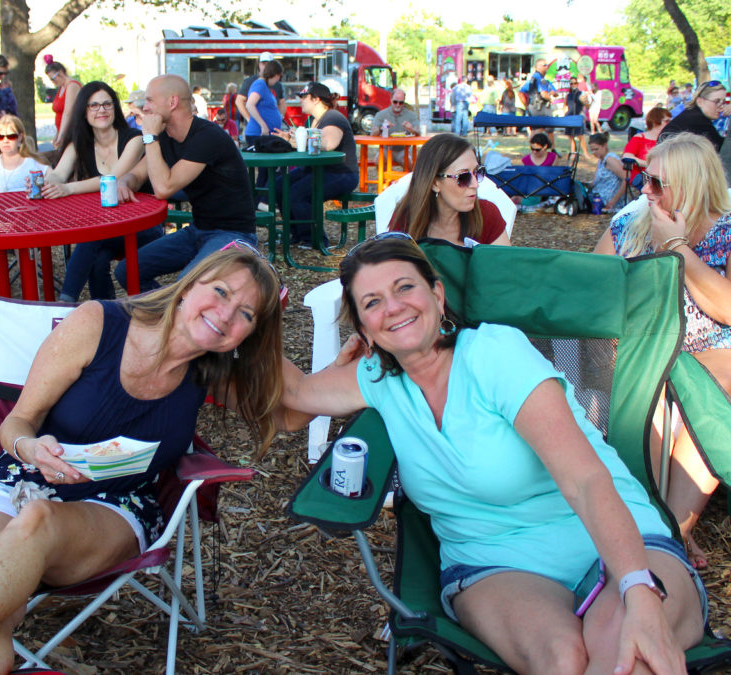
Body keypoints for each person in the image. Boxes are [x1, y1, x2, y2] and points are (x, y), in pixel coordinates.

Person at [0, 246, 296, 675]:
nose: (225, 313)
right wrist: (30, 448)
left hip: (113, 509)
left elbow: (300, 409)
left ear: (247, 335)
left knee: (34, 525)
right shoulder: (97, 323)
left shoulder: (213, 371)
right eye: (219, 291)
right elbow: (18, 422)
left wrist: (363, 366)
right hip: (18, 481)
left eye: (246, 314)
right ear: (189, 284)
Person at [280, 235, 706, 675]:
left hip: (623, 543)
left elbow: (585, 481)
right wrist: (224, 325)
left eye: (405, 287)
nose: (393, 307)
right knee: (563, 661)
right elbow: (287, 398)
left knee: (626, 657)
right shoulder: (375, 379)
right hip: (495, 565)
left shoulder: (495, 354)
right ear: (365, 328)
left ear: (437, 294)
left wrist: (638, 589)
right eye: (372, 302)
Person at [593, 132, 731, 569]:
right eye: (642, 179)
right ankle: (657, 529)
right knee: (654, 391)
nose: (643, 191)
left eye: (656, 183)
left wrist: (676, 247)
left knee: (704, 389)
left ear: (691, 186)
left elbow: (727, 310)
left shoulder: (725, 232)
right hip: (643, 353)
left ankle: (670, 532)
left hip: (712, 356)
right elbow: (592, 293)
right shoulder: (629, 224)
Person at [113, 75, 257, 293]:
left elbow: (163, 189)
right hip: (198, 231)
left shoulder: (207, 136)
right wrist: (125, 181)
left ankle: (171, 313)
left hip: (234, 235)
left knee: (184, 289)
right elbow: (137, 175)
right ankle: (162, 313)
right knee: (126, 271)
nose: (145, 107)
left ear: (172, 102)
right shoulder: (168, 136)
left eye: (150, 100)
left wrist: (150, 137)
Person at [38, 82, 161, 302]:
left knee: (91, 238)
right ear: (84, 112)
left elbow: (111, 178)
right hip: (105, 227)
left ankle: (64, 304)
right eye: (93, 105)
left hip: (141, 225)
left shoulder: (134, 138)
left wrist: (67, 189)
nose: (101, 110)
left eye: (107, 104)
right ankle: (104, 311)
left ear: (115, 108)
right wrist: (43, 184)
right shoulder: (80, 143)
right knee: (97, 255)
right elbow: (59, 173)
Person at [274, 82, 359, 246]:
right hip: (318, 170)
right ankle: (296, 234)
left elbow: (328, 144)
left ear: (316, 100)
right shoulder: (313, 120)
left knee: (297, 194)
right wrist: (290, 139)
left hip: (341, 173)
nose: (301, 101)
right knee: (279, 185)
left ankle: (314, 239)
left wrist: (303, 138)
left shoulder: (333, 117)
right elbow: (306, 145)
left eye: (304, 97)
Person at [388, 133, 510, 246]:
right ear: (435, 183)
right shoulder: (405, 219)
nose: (475, 184)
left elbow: (506, 266)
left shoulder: (487, 215)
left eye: (477, 172)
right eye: (463, 177)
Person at [659, 81, 729, 153]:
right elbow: (724, 150)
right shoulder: (697, 120)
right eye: (717, 101)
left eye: (724, 102)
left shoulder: (691, 114)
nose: (721, 107)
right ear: (699, 101)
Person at [622, 105, 671, 185]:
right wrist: (649, 164)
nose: (670, 123)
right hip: (643, 177)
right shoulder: (639, 138)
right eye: (667, 121)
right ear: (655, 121)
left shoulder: (668, 140)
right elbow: (627, 157)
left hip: (663, 177)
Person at [370, 88, 420, 166]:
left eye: (401, 103)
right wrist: (382, 127)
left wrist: (412, 129)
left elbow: (418, 132)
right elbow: (373, 133)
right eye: (395, 102)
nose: (398, 105)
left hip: (404, 150)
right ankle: (383, 178)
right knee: (379, 160)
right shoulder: (381, 114)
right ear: (391, 99)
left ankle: (407, 178)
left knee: (409, 162)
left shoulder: (411, 115)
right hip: (386, 149)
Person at [236, 52, 286, 127]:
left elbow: (282, 102)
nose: (265, 67)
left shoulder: (277, 84)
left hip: (271, 127)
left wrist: (280, 117)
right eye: (263, 64)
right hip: (256, 128)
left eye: (268, 64)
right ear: (259, 64)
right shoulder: (251, 81)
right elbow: (239, 101)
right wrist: (249, 119)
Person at [243, 59, 284, 144]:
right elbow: (250, 104)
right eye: (279, 77)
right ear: (275, 74)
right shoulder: (260, 84)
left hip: (266, 134)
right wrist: (263, 125)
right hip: (258, 134)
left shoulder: (265, 86)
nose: (278, 81)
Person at [45, 59, 82, 149]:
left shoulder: (72, 85)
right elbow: (60, 114)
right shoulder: (61, 87)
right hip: (63, 131)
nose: (53, 82)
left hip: (72, 131)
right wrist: (57, 134)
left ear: (61, 72)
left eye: (53, 78)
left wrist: (61, 135)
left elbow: (68, 112)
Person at [588, 132, 627, 214]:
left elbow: (626, 179)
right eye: (592, 150)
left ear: (604, 145)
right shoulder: (601, 160)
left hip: (608, 200)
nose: (594, 152)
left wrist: (613, 201)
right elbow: (594, 182)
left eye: (596, 149)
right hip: (598, 196)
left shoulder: (610, 160)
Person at [564, 77, 591, 157]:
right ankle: (573, 152)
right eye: (571, 83)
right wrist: (565, 112)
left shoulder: (581, 94)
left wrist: (585, 102)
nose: (573, 85)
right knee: (570, 136)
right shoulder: (568, 95)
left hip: (578, 116)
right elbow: (565, 105)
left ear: (577, 84)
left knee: (580, 136)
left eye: (575, 83)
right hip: (569, 116)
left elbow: (588, 106)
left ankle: (585, 153)